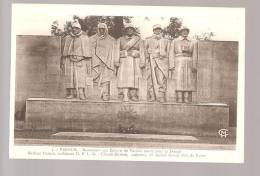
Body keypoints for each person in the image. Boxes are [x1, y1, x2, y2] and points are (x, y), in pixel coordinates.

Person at [60, 19, 92, 100]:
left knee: (81, 77)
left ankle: (81, 93)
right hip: (69, 60)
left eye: (76, 28)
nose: (74, 29)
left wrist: (81, 57)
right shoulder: (68, 38)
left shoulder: (85, 38)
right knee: (70, 77)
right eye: (73, 28)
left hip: (81, 60)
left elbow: (88, 52)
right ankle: (71, 93)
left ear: (79, 29)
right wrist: (67, 58)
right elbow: (64, 52)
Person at [114, 24, 146, 102]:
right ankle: (125, 95)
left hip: (135, 61)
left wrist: (142, 61)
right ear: (125, 30)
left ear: (134, 30)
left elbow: (142, 51)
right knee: (125, 78)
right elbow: (117, 51)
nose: (129, 30)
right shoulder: (120, 39)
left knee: (135, 78)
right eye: (128, 29)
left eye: (131, 29)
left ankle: (133, 95)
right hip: (124, 61)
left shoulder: (138, 40)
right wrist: (117, 60)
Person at [169, 26, 198, 103]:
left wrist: (194, 65)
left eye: (186, 31)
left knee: (188, 80)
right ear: (180, 32)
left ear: (188, 32)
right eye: (183, 31)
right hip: (178, 61)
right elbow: (171, 53)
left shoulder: (194, 41)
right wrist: (171, 65)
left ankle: (186, 97)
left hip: (189, 61)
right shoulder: (175, 41)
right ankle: (179, 97)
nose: (185, 32)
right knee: (178, 79)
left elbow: (195, 54)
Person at [89, 23, 116, 101]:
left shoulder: (111, 39)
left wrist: (109, 61)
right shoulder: (92, 39)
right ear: (97, 29)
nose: (101, 30)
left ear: (106, 29)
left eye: (103, 29)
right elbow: (89, 50)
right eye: (100, 29)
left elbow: (113, 51)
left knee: (106, 79)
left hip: (107, 62)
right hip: (96, 62)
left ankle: (105, 94)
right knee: (95, 78)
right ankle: (96, 94)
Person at [145, 24, 170, 102]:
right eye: (156, 29)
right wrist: (147, 53)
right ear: (153, 30)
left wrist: (163, 56)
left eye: (159, 29)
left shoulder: (166, 40)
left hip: (162, 61)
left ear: (161, 30)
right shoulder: (148, 39)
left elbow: (168, 52)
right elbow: (144, 50)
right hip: (151, 61)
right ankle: (152, 95)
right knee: (150, 79)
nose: (157, 31)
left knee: (161, 79)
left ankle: (161, 96)